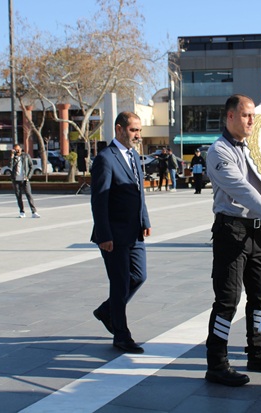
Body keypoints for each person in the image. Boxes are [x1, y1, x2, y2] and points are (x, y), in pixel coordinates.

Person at [205, 94, 261, 387]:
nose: (251, 121)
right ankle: (217, 363)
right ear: (230, 116)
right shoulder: (219, 151)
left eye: (253, 116)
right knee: (227, 299)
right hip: (231, 231)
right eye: (246, 115)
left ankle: (258, 352)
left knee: (260, 297)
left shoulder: (255, 149)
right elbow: (242, 189)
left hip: (257, 233)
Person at [90, 111, 152, 354]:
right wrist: (104, 235)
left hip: (134, 231)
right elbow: (99, 200)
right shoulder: (105, 158)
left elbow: (139, 191)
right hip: (113, 235)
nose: (138, 135)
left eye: (139, 130)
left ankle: (107, 311)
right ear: (119, 129)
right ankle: (121, 335)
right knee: (119, 283)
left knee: (139, 275)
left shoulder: (134, 155)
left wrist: (144, 219)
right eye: (133, 130)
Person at [9, 144, 40, 218]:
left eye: (18, 149)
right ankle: (22, 212)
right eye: (15, 149)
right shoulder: (13, 158)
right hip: (16, 180)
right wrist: (12, 157)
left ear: (21, 148)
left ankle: (34, 212)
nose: (17, 151)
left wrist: (28, 176)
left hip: (25, 180)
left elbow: (31, 166)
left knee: (29, 195)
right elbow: (10, 167)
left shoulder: (26, 156)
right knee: (18, 196)